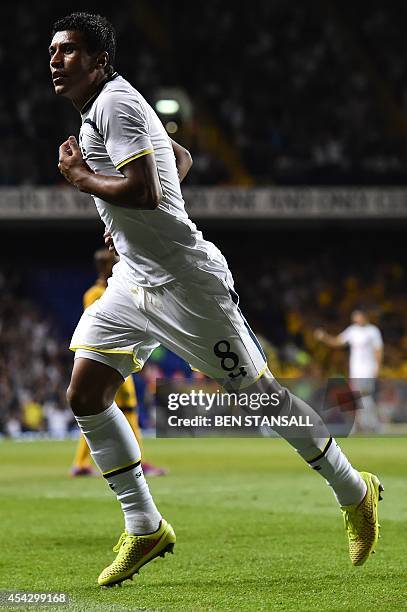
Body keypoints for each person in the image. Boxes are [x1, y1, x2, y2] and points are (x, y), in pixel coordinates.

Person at [50, 12, 383, 587]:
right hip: (134, 278)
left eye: (69, 50)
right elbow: (178, 161)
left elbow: (150, 189)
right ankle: (145, 524)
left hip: (187, 283)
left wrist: (85, 181)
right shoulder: (100, 112)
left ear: (100, 61)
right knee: (85, 391)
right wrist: (120, 225)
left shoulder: (113, 105)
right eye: (52, 50)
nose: (55, 59)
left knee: (264, 400)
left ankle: (356, 492)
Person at [71, 247, 167, 477]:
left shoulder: (114, 289)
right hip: (106, 357)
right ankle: (133, 461)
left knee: (104, 408)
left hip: (121, 356)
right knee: (104, 407)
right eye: (112, 263)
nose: (116, 266)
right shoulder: (95, 294)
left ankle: (83, 463)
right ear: (104, 267)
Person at [315, 309, 384, 432]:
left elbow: (378, 349)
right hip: (355, 371)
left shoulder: (372, 331)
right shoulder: (352, 330)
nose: (356, 320)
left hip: (368, 369)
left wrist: (377, 367)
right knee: (358, 398)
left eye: (358, 317)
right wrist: (324, 337)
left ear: (364, 317)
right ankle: (363, 424)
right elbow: (337, 341)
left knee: (365, 396)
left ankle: (372, 424)